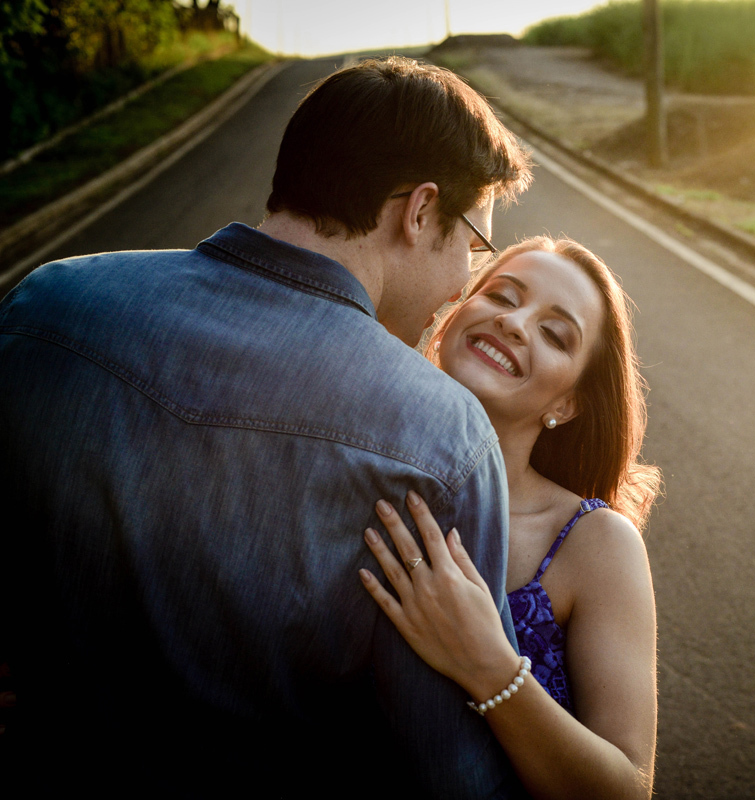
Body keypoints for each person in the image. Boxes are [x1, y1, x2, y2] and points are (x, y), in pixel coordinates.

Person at [0, 57, 532, 796]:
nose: (458, 288)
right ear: (418, 211)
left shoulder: (45, 306)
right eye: (472, 245)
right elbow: (448, 776)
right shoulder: (443, 437)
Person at [359, 237, 662, 799]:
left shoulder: (593, 543)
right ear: (454, 315)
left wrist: (489, 665)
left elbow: (626, 788)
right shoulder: (350, 458)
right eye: (501, 296)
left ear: (566, 404)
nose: (515, 323)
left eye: (554, 334)